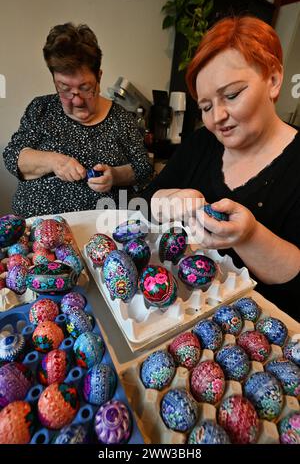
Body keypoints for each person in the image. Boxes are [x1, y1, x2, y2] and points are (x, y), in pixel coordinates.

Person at [143, 16, 300, 321]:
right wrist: (170, 199)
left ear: (273, 79)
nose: (218, 117)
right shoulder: (202, 143)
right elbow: (147, 201)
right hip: (184, 315)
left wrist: (249, 236)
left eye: (232, 95)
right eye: (206, 107)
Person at [3, 23, 153, 218]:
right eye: (65, 89)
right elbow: (13, 156)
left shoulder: (121, 118)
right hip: (35, 229)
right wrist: (53, 161)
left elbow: (143, 169)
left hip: (100, 230)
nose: (77, 100)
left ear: (99, 77)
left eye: (85, 88)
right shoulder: (41, 108)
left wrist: (114, 176)